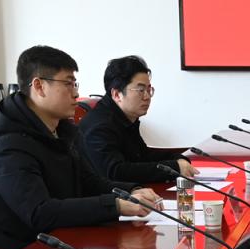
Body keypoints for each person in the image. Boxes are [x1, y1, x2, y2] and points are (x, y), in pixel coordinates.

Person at [0, 45, 161, 249]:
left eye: (75, 83)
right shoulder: (6, 146)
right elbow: (40, 212)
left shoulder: (62, 130)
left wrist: (131, 191)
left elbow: (88, 182)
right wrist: (115, 205)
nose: (76, 93)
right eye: (68, 84)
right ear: (39, 86)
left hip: (61, 240)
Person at [79, 55, 196, 183]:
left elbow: (142, 156)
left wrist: (177, 159)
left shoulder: (124, 117)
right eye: (140, 90)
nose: (147, 97)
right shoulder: (100, 126)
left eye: (149, 89)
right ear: (117, 94)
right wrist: (174, 167)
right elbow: (115, 172)